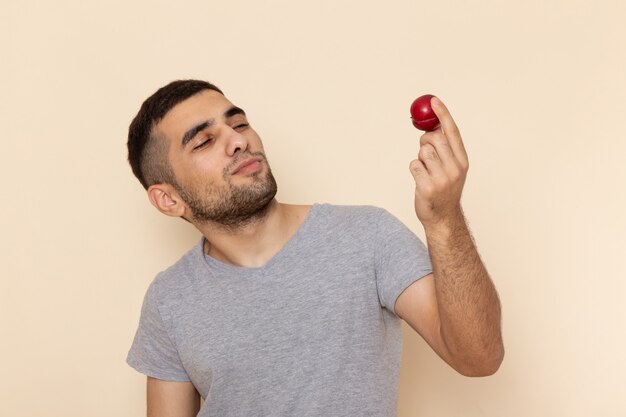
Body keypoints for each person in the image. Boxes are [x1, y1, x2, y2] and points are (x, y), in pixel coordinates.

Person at [126, 79, 504, 417]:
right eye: (205, 141)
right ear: (168, 200)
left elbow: (479, 356)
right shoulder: (169, 299)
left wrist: (444, 218)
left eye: (239, 124)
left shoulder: (367, 236)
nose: (239, 140)